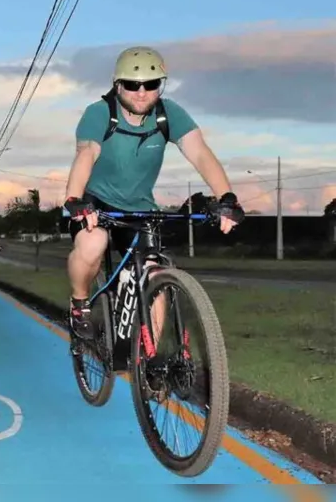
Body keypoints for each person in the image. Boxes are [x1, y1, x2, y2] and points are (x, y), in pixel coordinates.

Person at [62, 46, 245, 342]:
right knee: (93, 243)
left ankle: (150, 364)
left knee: (155, 273)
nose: (142, 92)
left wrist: (226, 198)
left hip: (140, 208)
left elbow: (200, 153)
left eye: (152, 84)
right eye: (133, 85)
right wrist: (75, 200)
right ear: (117, 84)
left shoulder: (168, 114)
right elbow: (86, 154)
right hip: (94, 203)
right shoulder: (98, 113)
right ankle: (79, 304)